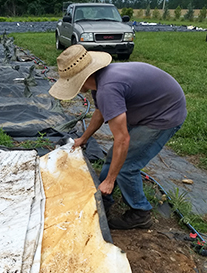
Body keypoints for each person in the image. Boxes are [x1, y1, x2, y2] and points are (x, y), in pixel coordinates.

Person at [49, 45, 187, 230]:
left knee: (127, 166)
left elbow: (123, 139)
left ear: (80, 80)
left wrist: (110, 179)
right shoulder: (99, 83)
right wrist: (83, 138)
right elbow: (99, 112)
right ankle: (104, 198)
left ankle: (140, 213)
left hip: (164, 115)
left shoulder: (108, 88)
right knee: (115, 157)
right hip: (148, 107)